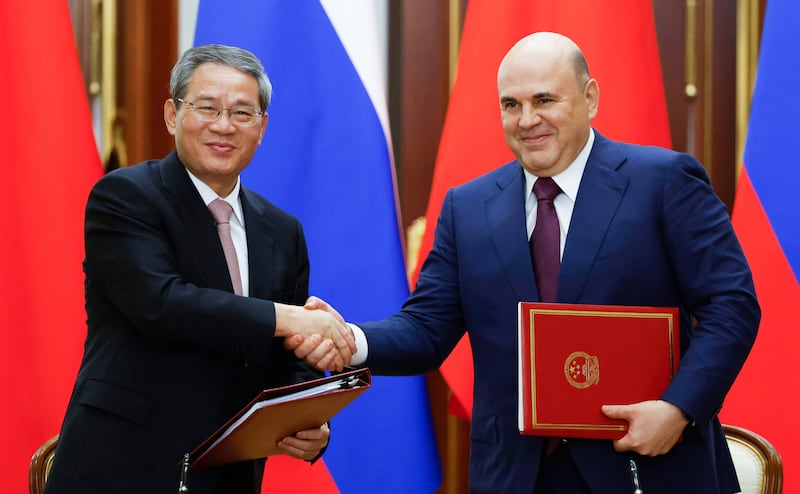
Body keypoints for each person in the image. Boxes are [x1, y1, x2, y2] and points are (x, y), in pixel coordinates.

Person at [300, 32, 760, 493]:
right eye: (511, 104)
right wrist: (349, 340)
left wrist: (678, 409)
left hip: (644, 463)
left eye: (544, 100)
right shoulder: (468, 207)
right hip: (516, 476)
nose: (527, 120)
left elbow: (732, 306)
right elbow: (426, 329)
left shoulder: (663, 182)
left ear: (590, 98)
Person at [44, 44, 355, 494]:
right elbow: (162, 304)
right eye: (207, 107)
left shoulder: (282, 230)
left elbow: (286, 357)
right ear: (173, 115)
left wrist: (309, 417)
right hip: (123, 466)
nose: (223, 125)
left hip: (228, 475)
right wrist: (290, 317)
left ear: (262, 126)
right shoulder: (126, 197)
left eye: (242, 112)